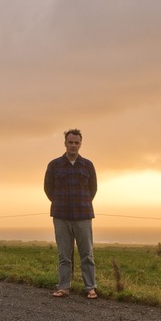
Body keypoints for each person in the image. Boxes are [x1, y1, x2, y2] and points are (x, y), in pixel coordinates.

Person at [44, 128, 98, 299]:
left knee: (87, 254)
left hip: (83, 215)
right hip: (61, 215)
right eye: (70, 142)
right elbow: (48, 188)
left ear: (80, 144)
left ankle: (90, 288)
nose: (73, 145)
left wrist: (82, 202)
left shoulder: (88, 165)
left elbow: (93, 189)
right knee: (64, 254)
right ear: (65, 143)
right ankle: (63, 287)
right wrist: (60, 202)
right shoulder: (54, 165)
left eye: (76, 143)